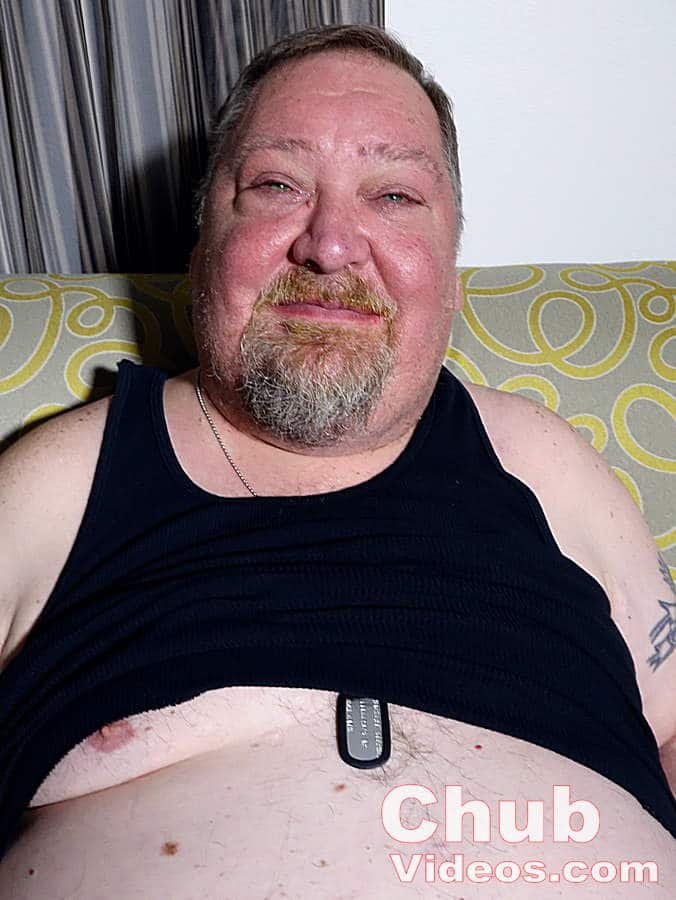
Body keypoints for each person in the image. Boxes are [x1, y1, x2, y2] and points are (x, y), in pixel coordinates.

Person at [0, 23, 674, 899]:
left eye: (393, 196)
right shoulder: (60, 480)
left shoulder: (543, 459)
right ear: (201, 248)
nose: (330, 245)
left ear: (451, 269)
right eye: (277, 185)